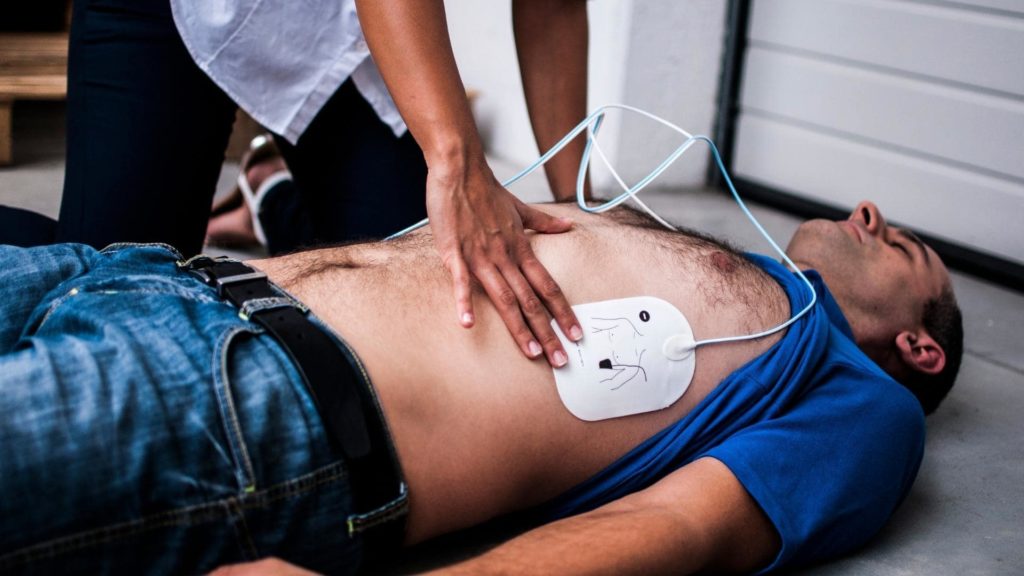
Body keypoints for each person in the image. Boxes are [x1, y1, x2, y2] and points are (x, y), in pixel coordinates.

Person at [0, 200, 963, 575]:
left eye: (903, 243)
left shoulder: (860, 402)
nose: (871, 212)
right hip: (146, 274)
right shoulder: (713, 249)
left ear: (919, 349)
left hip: (238, 408)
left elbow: (681, 529)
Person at [58, 0, 590, 369]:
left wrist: (582, 206)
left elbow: (552, 8)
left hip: (331, 25)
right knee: (112, 292)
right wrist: (458, 165)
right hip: (165, 15)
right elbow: (457, 167)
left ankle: (270, 195)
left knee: (422, 300)